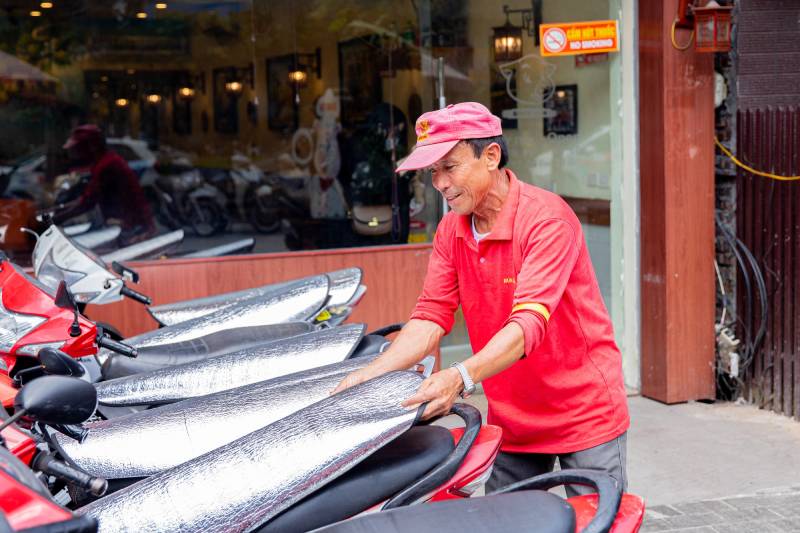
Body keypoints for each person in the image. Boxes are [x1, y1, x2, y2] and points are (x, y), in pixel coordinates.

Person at [333, 102, 630, 495]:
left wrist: (458, 377)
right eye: (432, 171)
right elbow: (430, 315)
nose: (439, 182)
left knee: (597, 520)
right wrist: (371, 373)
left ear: (490, 156)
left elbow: (528, 324)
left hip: (582, 412)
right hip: (514, 417)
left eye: (449, 167)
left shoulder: (546, 220)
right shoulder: (450, 232)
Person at [54, 125, 155, 245]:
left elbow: (87, 202)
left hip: (131, 227)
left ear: (91, 147)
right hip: (126, 224)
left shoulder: (107, 165)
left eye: (79, 149)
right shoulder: (103, 162)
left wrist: (55, 220)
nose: (75, 154)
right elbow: (85, 199)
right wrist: (58, 211)